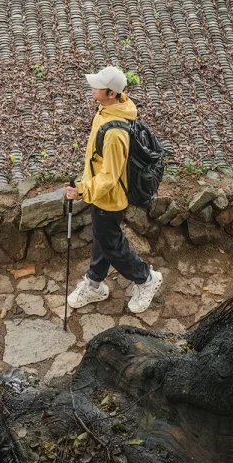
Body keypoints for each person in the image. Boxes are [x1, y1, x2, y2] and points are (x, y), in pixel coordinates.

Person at [65, 64, 164, 313]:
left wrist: (81, 190)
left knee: (113, 246)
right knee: (102, 239)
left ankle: (146, 279)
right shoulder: (107, 109)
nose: (92, 87)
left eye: (98, 85)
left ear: (111, 93)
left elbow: (109, 177)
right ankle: (95, 284)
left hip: (108, 198)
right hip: (102, 195)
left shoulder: (114, 133)